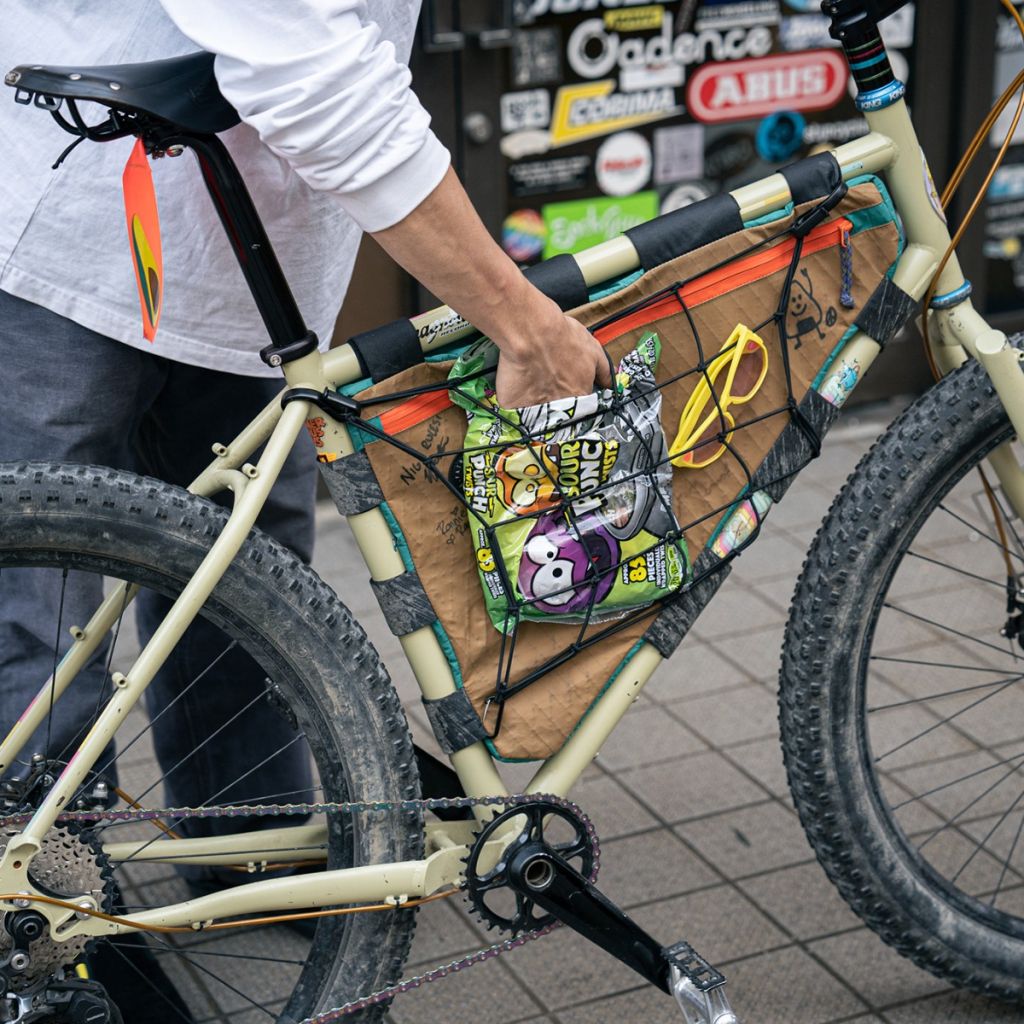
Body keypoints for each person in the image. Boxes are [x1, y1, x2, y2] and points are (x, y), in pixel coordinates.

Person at [0, 1, 609, 1018]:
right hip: (68, 224)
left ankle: (244, 846)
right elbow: (308, 67)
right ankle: (34, 921)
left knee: (249, 571)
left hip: (254, 243)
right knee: (42, 599)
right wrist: (519, 318)